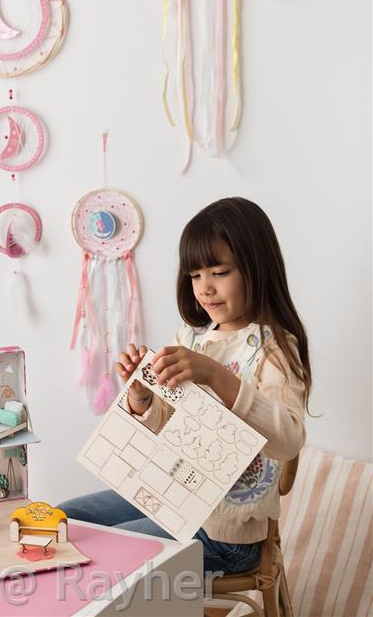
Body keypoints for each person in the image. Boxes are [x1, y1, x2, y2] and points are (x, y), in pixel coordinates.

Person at [60, 197, 311, 575]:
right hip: (168, 497)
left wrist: (218, 376)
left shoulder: (274, 348)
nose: (205, 288)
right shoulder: (191, 337)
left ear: (257, 268)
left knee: (107, 552)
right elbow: (169, 427)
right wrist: (143, 397)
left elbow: (288, 439)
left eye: (219, 272)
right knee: (63, 521)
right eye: (195, 276)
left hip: (225, 534)